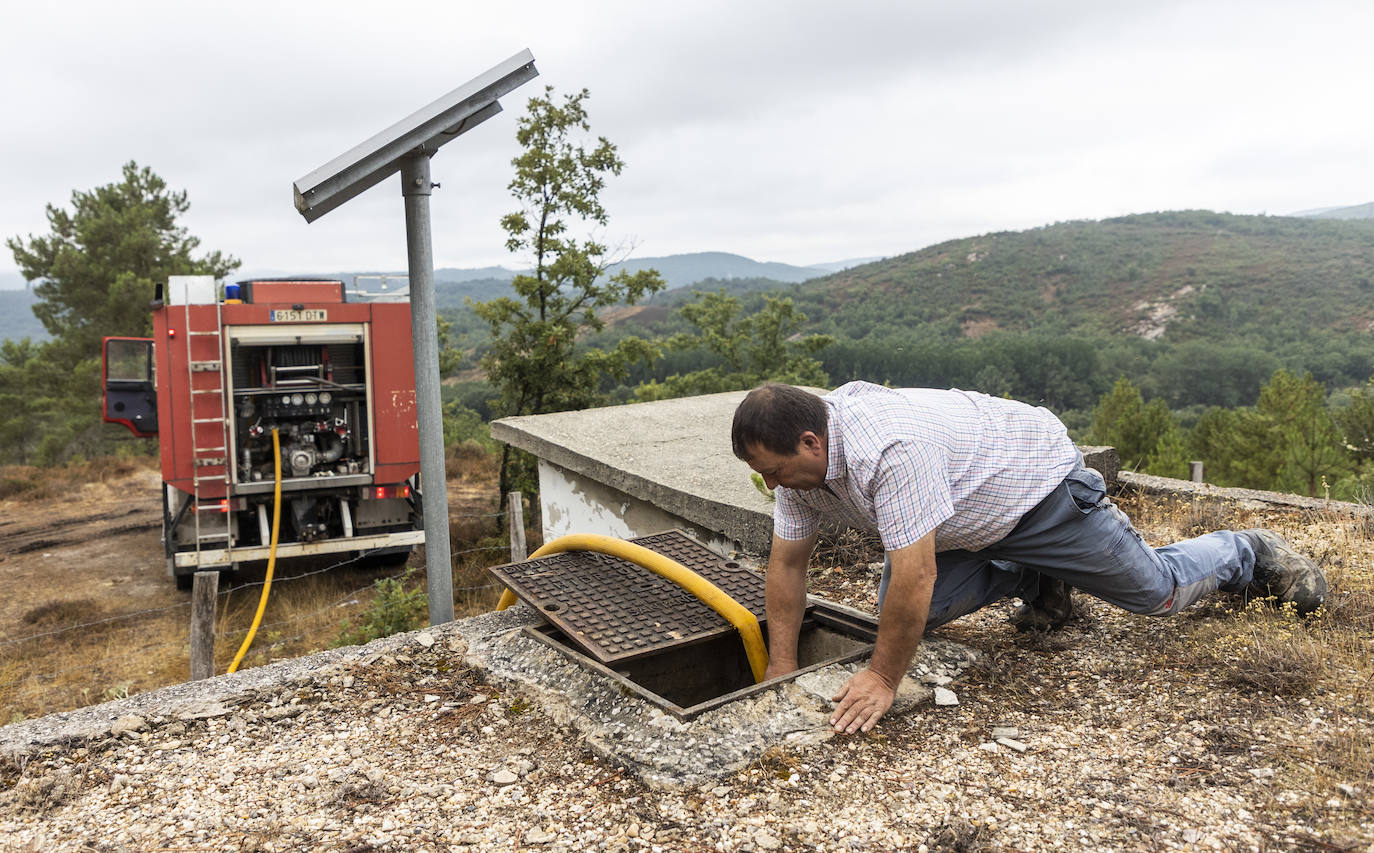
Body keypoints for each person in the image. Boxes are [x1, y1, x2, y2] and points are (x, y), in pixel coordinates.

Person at [731, 381, 1328, 735]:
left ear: (812, 441)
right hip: (969, 521)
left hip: (1039, 492)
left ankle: (1247, 550)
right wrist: (782, 664)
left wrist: (885, 678)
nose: (776, 483)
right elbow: (786, 566)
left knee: (1156, 594)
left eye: (777, 470)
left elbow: (916, 570)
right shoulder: (798, 476)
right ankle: (1036, 575)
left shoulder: (889, 451)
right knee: (905, 615)